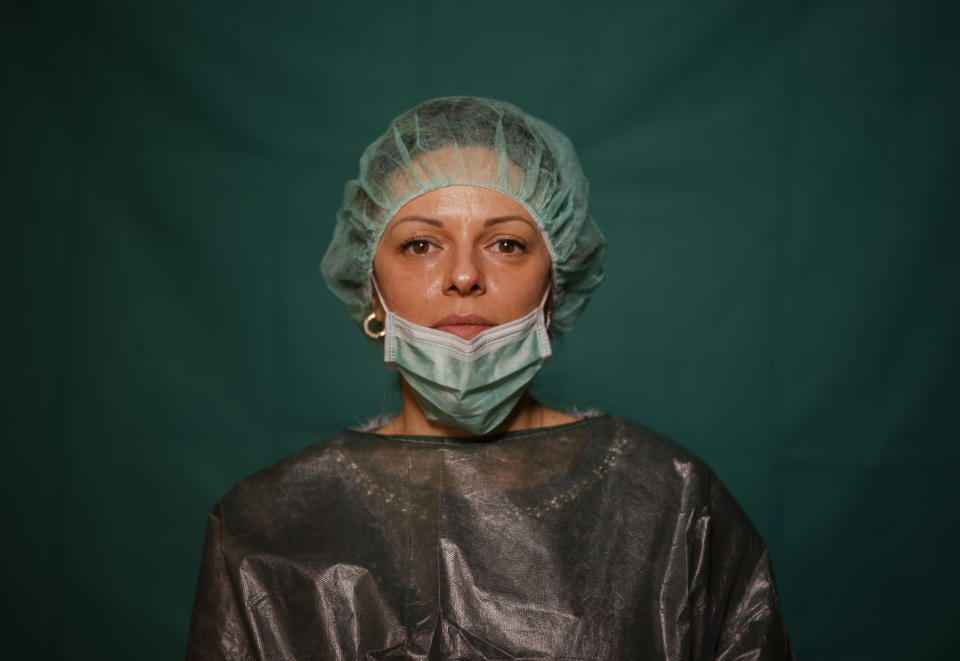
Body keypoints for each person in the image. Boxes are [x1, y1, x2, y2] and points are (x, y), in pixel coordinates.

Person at [186, 97, 795, 660]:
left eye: (505, 243)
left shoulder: (672, 502)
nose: (464, 276)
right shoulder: (260, 528)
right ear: (371, 285)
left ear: (555, 284)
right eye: (421, 244)